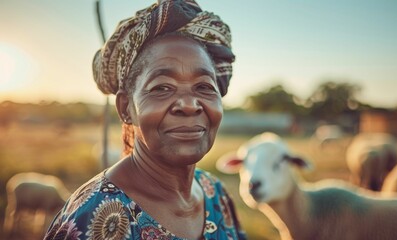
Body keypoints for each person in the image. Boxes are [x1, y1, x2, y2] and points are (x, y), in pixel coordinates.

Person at [43, 0, 246, 239]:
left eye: (204, 86)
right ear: (126, 108)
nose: (189, 105)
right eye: (162, 87)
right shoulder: (93, 219)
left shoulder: (215, 193)